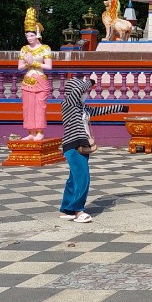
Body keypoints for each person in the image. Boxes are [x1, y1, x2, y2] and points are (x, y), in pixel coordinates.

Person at [59, 76, 128, 223]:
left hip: (82, 145)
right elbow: (78, 90)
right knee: (83, 177)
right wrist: (90, 82)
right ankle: (78, 211)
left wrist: (120, 107)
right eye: (84, 91)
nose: (85, 94)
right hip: (72, 145)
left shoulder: (83, 109)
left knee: (74, 179)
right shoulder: (68, 104)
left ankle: (67, 209)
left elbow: (99, 111)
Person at [18, 8, 53, 140]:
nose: (29, 38)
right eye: (27, 36)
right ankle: (31, 132)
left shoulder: (45, 48)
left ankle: (40, 131)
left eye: (31, 35)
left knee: (40, 107)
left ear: (37, 35)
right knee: (28, 107)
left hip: (40, 79)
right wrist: (28, 64)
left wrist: (34, 63)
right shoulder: (24, 49)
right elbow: (20, 67)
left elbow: (49, 66)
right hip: (27, 80)